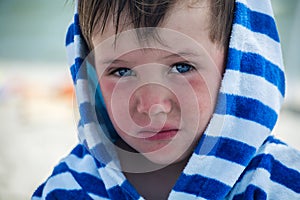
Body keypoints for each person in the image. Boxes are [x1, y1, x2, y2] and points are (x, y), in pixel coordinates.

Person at [32, 0, 300, 199]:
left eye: (181, 67)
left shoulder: (281, 183)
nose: (152, 107)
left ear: (236, 63)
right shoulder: (67, 187)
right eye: (121, 71)